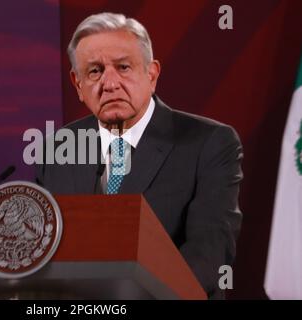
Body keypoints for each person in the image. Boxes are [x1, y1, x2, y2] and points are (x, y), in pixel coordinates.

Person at [35, 12, 243, 299]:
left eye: (123, 67)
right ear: (77, 84)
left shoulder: (209, 143)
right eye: (94, 71)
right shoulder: (57, 149)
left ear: (152, 74)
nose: (109, 83)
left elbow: (209, 253)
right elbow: (43, 253)